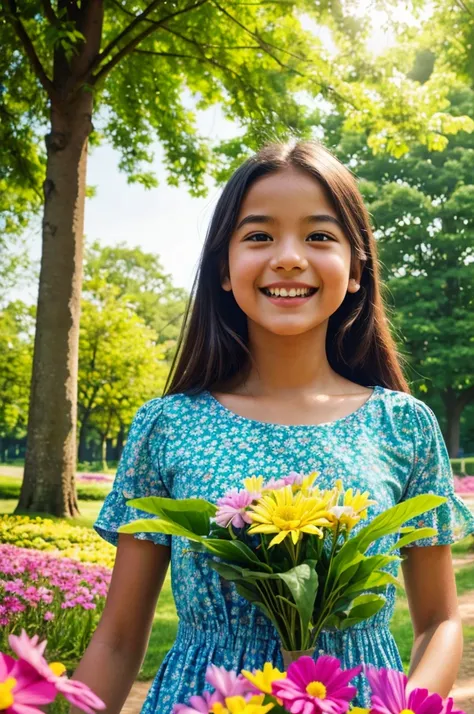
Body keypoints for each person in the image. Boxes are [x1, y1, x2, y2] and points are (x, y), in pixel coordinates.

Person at [72, 141, 474, 714]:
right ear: (224, 271)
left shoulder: (404, 427)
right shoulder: (167, 427)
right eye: (259, 235)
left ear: (356, 270)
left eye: (319, 236)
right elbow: (117, 638)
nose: (289, 257)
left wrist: (406, 707)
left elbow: (438, 622)